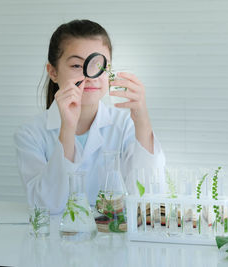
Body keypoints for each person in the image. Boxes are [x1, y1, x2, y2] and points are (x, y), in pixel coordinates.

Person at [14, 19, 165, 214]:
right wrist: (67, 129)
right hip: (57, 241)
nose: (91, 75)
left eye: (99, 65)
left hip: (112, 239)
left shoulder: (125, 125)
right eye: (77, 65)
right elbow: (47, 208)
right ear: (53, 72)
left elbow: (150, 199)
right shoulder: (30, 134)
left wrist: (141, 117)